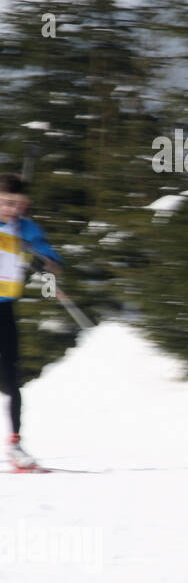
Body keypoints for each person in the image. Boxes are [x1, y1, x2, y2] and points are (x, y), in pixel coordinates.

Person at [0, 174, 64, 470]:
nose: (11, 209)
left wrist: (41, 263)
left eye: (16, 203)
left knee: (13, 378)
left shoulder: (26, 230)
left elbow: (52, 273)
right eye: (5, 202)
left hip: (5, 309)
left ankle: (16, 447)